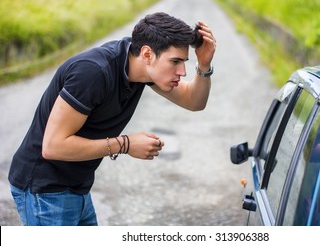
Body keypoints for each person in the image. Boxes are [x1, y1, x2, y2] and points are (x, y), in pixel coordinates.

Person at [8, 12, 216, 226]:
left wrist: (204, 66)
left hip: (76, 186)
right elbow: (53, 146)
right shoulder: (93, 72)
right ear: (147, 54)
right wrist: (125, 145)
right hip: (44, 190)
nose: (182, 71)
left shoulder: (140, 68)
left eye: (184, 62)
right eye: (175, 61)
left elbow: (194, 102)